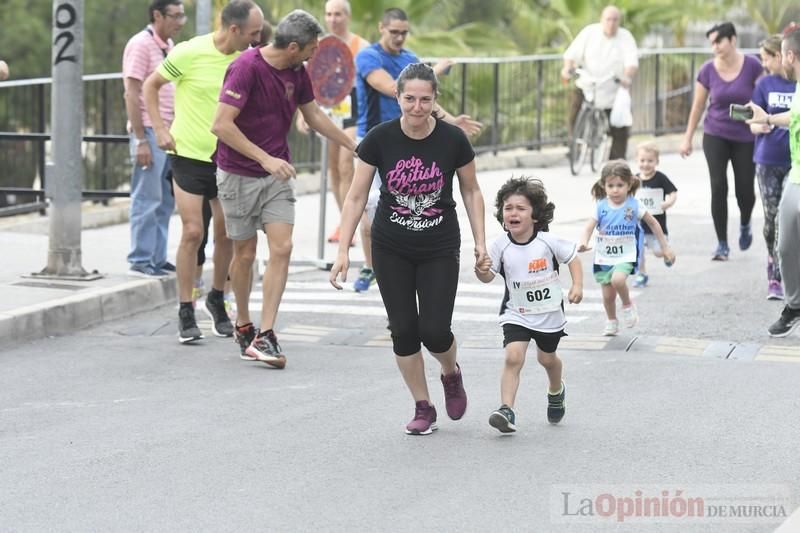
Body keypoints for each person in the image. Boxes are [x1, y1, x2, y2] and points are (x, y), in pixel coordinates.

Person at [329, 63, 488, 436]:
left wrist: (480, 241)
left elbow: (471, 190)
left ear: (435, 101)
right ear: (398, 97)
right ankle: (423, 405)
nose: (417, 107)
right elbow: (355, 197)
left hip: (439, 245)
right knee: (402, 329)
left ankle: (451, 373)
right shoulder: (379, 140)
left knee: (434, 331)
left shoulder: (453, 140)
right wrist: (344, 251)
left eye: (425, 100)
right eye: (410, 99)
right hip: (391, 246)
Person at [211, 9, 357, 368]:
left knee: (283, 247)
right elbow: (221, 125)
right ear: (294, 46)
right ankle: (243, 322)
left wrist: (355, 145)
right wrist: (264, 158)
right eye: (311, 47)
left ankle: (266, 333)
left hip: (276, 175)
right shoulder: (246, 68)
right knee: (244, 254)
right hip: (238, 173)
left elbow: (314, 115)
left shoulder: (297, 71)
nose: (315, 53)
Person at [144, 0, 265, 344]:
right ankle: (185, 307)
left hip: (227, 159)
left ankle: (215, 296)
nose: (257, 40)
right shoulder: (189, 52)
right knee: (193, 232)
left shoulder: (249, 60)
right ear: (233, 29)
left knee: (226, 233)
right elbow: (151, 86)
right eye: (253, 33)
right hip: (188, 154)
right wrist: (160, 129)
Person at [352, 7, 479, 294]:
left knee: (406, 209)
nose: (399, 37)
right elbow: (388, 86)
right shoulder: (368, 56)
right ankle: (372, 265)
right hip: (375, 143)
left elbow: (424, 96)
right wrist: (434, 71)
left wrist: (450, 120)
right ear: (382, 28)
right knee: (371, 210)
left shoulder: (410, 59)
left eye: (403, 33)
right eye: (393, 32)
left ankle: (398, 274)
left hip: (411, 146)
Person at [475, 177, 583, 434]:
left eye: (521, 208)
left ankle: (556, 390)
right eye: (508, 207)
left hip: (549, 315)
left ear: (535, 215)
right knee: (513, 357)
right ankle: (506, 409)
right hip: (516, 313)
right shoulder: (500, 245)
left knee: (547, 359)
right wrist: (481, 270)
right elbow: (489, 276)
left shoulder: (547, 241)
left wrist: (577, 285)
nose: (513, 213)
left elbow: (573, 257)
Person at [679, 22, 762, 261]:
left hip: (746, 136)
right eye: (712, 43)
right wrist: (687, 138)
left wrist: (762, 120)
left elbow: (764, 96)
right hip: (715, 133)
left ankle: (745, 222)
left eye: (719, 41)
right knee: (718, 186)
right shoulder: (707, 70)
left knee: (745, 189)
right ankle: (722, 243)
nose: (714, 47)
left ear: (732, 40)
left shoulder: (753, 66)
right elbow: (697, 106)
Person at [296, 0, 369, 248]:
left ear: (347, 16)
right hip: (327, 106)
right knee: (333, 169)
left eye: (338, 14)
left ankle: (352, 224)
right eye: (329, 14)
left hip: (354, 107)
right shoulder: (319, 45)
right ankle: (343, 221)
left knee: (345, 163)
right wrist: (301, 115)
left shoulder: (361, 46)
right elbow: (307, 82)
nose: (333, 18)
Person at [122, 0, 186, 278]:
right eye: (175, 16)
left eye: (182, 15)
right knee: (146, 197)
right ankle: (141, 258)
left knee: (164, 200)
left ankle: (157, 257)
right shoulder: (140, 44)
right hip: (148, 130)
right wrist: (140, 140)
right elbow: (131, 93)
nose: (180, 22)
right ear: (157, 15)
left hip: (168, 132)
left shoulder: (168, 46)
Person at [578, 160, 676, 336]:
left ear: (629, 184)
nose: (615, 190)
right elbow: (588, 227)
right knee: (607, 295)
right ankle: (611, 321)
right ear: (604, 185)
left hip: (626, 255)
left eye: (620, 185)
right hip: (603, 257)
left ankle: (627, 304)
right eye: (611, 185)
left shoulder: (634, 205)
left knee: (618, 280)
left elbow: (653, 224)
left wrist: (665, 247)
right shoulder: (600, 206)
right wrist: (583, 241)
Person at [747, 25, 800, 337]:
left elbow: (795, 117)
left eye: (782, 55)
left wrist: (766, 117)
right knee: (785, 244)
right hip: (797, 174)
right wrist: (764, 117)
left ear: (790, 56)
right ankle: (794, 304)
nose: (781, 61)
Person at [560, 5, 638, 160]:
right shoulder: (590, 32)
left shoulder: (625, 37)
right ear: (602, 20)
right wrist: (567, 69)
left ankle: (616, 164)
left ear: (619, 21)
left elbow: (632, 62)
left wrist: (626, 76)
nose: (611, 23)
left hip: (612, 89)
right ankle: (574, 146)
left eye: (615, 20)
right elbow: (571, 54)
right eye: (608, 19)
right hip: (588, 84)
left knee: (620, 127)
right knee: (573, 115)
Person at [633, 142, 677, 288]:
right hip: (639, 226)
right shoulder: (634, 180)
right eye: (642, 160)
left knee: (658, 252)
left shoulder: (660, 178)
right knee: (638, 252)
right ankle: (642, 274)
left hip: (657, 226)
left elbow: (672, 192)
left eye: (650, 161)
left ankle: (666, 252)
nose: (646, 164)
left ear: (657, 161)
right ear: (637, 160)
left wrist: (668, 203)